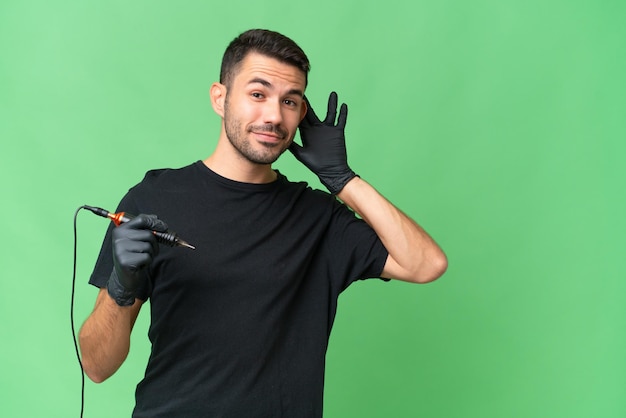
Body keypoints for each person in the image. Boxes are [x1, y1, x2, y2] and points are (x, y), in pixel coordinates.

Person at [79, 28, 447, 417]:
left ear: (301, 113)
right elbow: (97, 367)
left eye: (290, 101)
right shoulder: (152, 200)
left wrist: (343, 180)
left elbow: (425, 263)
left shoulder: (317, 218)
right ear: (220, 99)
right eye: (258, 94)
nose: (274, 115)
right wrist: (120, 289)